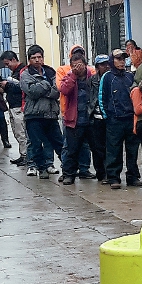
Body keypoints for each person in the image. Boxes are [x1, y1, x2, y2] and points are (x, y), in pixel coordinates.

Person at [100, 49, 142, 189]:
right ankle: (113, 177)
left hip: (130, 118)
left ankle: (133, 177)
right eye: (118, 59)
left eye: (123, 59)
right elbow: (102, 97)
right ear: (112, 61)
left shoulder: (130, 76)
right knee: (114, 150)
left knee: (133, 150)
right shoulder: (107, 77)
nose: (122, 62)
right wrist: (107, 116)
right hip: (114, 120)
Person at [20, 45, 64, 178]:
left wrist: (42, 88)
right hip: (34, 115)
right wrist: (46, 84)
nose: (37, 60)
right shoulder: (25, 74)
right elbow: (32, 92)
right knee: (36, 144)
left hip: (51, 114)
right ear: (29, 60)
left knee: (59, 143)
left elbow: (57, 91)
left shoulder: (50, 72)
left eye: (39, 57)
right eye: (34, 58)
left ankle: (67, 168)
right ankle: (41, 168)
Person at [57, 50, 99, 184]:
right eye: (74, 65)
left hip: (91, 119)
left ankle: (100, 173)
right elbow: (64, 90)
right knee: (71, 149)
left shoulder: (92, 75)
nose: (77, 68)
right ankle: (69, 174)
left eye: (80, 64)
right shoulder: (68, 77)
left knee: (97, 148)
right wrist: (73, 76)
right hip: (74, 119)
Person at [0, 51, 28, 166]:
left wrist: (7, 85)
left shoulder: (23, 72)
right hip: (13, 106)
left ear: (13, 59)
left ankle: (26, 156)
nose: (7, 67)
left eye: (8, 64)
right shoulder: (15, 73)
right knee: (17, 132)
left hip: (19, 107)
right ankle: (23, 155)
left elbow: (22, 88)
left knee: (21, 132)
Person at [90, 54, 110, 180]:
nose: (106, 67)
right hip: (96, 118)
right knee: (97, 148)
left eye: (108, 64)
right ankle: (101, 173)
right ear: (97, 67)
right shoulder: (91, 81)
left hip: (110, 118)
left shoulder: (112, 79)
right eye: (103, 65)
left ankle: (109, 173)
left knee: (110, 147)